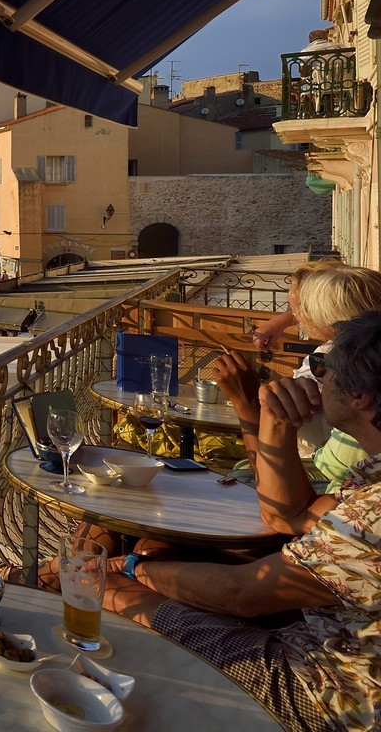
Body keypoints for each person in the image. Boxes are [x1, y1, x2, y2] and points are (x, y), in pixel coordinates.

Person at [91, 309, 381, 731]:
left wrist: (131, 570)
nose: (316, 378)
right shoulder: (371, 480)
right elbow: (292, 516)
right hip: (324, 638)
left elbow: (240, 595)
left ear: (360, 397)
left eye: (322, 367)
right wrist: (275, 423)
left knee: (105, 586)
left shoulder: (372, 513)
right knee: (143, 555)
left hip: (328, 695)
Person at [216, 264, 381, 490]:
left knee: (241, 475)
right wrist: (282, 321)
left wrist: (247, 402)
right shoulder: (365, 351)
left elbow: (285, 502)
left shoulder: (336, 364)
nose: (297, 314)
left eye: (301, 307)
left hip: (325, 486)